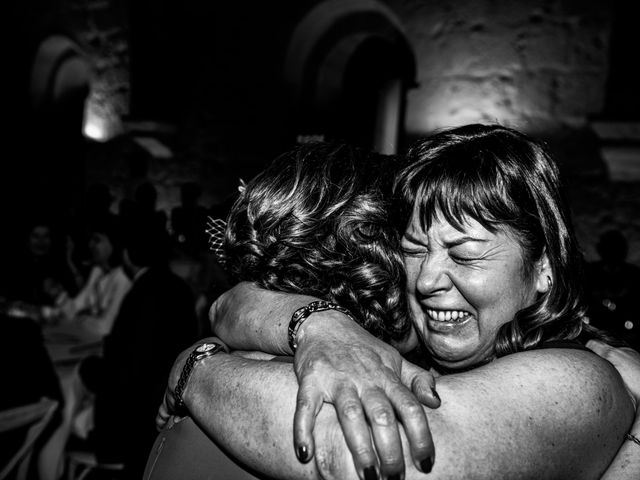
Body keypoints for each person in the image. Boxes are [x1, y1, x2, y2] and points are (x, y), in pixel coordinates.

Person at [154, 131, 639, 479]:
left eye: (466, 254)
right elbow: (230, 305)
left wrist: (198, 371)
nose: (426, 279)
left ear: (543, 268)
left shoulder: (583, 380)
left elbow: (385, 457)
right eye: (412, 250)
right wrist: (317, 326)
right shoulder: (395, 353)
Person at [80, 225, 199, 479]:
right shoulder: (179, 287)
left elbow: (128, 370)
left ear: (126, 256)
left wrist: (90, 369)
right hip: (170, 409)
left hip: (133, 422)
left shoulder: (141, 291)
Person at [585, 229, 640, 351]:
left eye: (616, 249)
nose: (612, 253)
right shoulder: (590, 271)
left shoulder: (633, 273)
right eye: (609, 248)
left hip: (626, 331)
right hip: (596, 328)